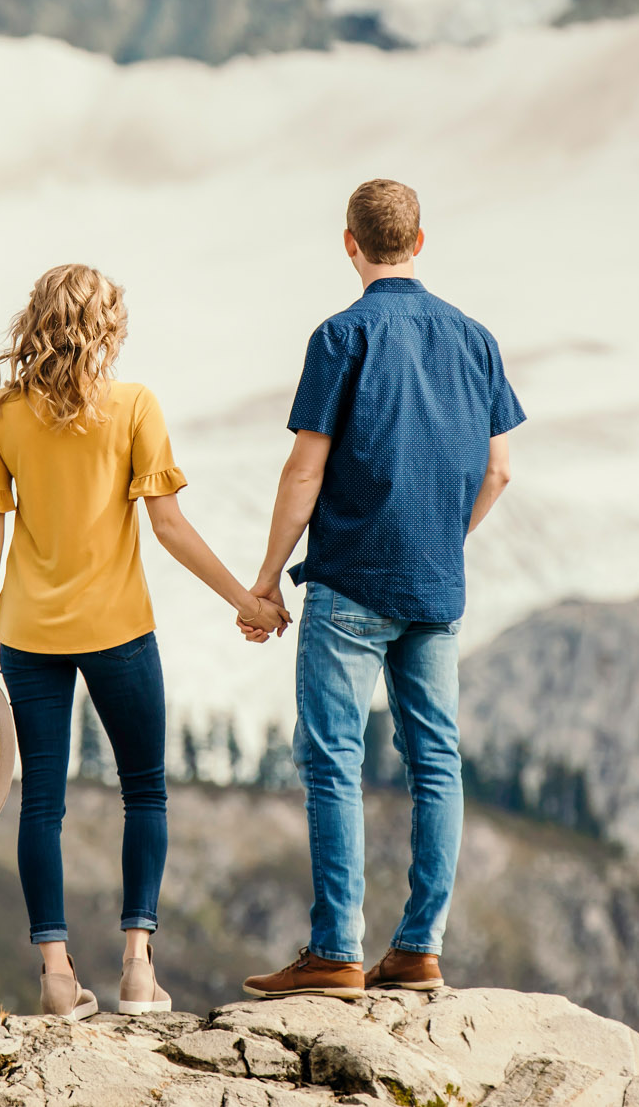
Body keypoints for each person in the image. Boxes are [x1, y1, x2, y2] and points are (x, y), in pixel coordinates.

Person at [0, 263, 291, 1019]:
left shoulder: (2, 413)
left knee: (40, 802)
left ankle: (54, 975)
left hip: (30, 634)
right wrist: (247, 598)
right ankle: (139, 967)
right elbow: (168, 525)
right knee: (144, 789)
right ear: (106, 326)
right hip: (119, 629)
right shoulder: (134, 405)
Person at [242, 178, 523, 1000]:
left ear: (349, 243)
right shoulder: (475, 338)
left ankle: (334, 950)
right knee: (436, 759)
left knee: (333, 756)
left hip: (350, 581)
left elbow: (305, 470)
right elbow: (500, 469)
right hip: (434, 587)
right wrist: (444, 538)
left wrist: (264, 580)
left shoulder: (341, 335)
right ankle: (420, 948)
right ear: (422, 242)